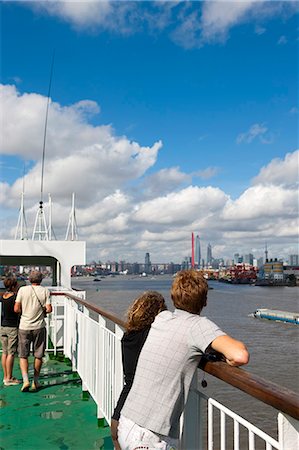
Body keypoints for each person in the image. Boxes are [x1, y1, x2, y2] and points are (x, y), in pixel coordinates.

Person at [118, 270, 250, 450]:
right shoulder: (198, 325)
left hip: (127, 422)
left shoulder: (161, 319)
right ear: (204, 301)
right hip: (148, 437)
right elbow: (240, 355)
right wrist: (228, 359)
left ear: (173, 298)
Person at [111, 291, 167, 450]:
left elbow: (131, 380)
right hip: (141, 420)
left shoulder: (128, 337)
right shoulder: (154, 338)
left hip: (120, 415)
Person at [14, 270, 52, 392]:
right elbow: (49, 309)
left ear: (29, 279)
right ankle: (35, 381)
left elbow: (16, 308)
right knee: (38, 355)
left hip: (24, 326)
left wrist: (24, 313)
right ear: (41, 279)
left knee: (23, 355)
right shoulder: (45, 291)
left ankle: (25, 380)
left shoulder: (22, 290)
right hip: (39, 326)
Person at [0, 276, 20, 386]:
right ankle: (9, 378)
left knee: (4, 353)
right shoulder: (15, 298)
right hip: (12, 327)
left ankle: (5, 377)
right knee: (11, 353)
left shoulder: (3, 296)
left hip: (3, 326)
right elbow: (18, 310)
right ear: (13, 286)